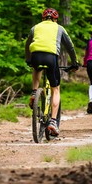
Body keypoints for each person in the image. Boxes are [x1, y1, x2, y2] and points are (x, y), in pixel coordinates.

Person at [25, 8, 79, 136]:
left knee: (36, 67)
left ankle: (34, 92)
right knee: (56, 89)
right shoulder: (59, 28)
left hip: (36, 55)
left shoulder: (35, 27)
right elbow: (70, 46)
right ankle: (53, 122)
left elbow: (27, 45)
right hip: (51, 57)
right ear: (55, 19)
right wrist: (74, 62)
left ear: (43, 18)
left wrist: (28, 59)